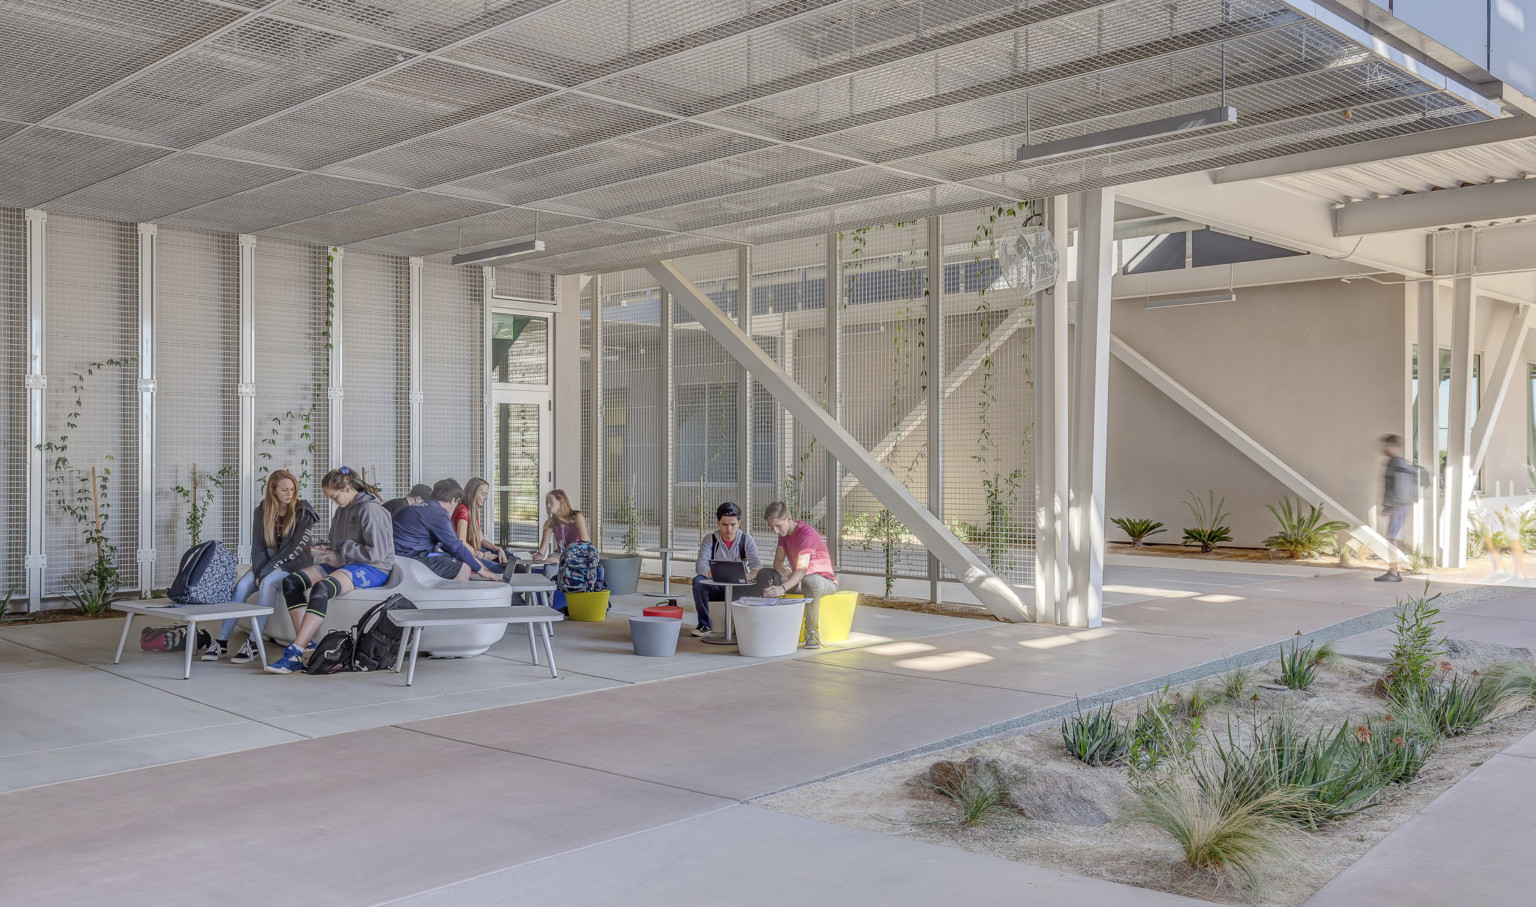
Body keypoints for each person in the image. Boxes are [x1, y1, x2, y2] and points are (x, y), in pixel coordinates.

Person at [265, 467, 395, 674]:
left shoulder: (371, 510)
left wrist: (342, 550)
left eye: (334, 496)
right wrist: (325, 550)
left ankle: (295, 651)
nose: (333, 502)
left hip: (373, 568)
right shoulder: (342, 510)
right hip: (347, 562)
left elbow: (377, 553)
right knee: (291, 582)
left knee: (322, 588)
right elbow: (340, 545)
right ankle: (307, 646)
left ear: (347, 487)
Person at [202, 470, 318, 663]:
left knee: (267, 584)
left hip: (295, 562)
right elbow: (258, 547)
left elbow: (292, 550)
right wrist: (260, 569)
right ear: (273, 491)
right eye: (284, 490)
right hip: (269, 560)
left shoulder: (303, 511)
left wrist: (264, 572)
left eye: (292, 489)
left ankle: (254, 643)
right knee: (241, 587)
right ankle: (221, 641)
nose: (290, 494)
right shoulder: (262, 510)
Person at [760, 501, 838, 648]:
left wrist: (782, 588)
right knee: (766, 574)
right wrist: (780, 567)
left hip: (823, 581)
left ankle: (812, 634)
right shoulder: (784, 533)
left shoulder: (805, 534)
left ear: (788, 518)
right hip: (800, 579)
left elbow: (802, 570)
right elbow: (777, 560)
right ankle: (765, 625)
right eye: (772, 527)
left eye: (778, 526)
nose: (776, 531)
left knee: (810, 581)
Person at [394, 478, 499, 581]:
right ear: (453, 500)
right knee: (464, 569)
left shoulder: (419, 508)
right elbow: (456, 547)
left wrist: (480, 565)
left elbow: (449, 547)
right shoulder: (438, 514)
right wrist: (482, 570)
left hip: (401, 554)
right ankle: (445, 598)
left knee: (456, 560)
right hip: (409, 558)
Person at [689, 502, 764, 637]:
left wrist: (751, 574)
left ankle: (742, 626)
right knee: (698, 581)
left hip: (737, 587)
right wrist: (716, 574)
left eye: (732, 524)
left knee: (758, 583)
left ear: (739, 523)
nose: (729, 528)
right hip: (716, 585)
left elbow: (756, 565)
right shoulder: (710, 539)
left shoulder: (746, 540)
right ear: (718, 523)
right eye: (724, 524)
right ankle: (704, 625)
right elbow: (700, 565)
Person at [1377, 434, 1415, 583]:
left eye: (1386, 446)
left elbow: (1397, 485)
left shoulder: (1395, 462)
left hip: (1398, 505)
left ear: (1392, 446)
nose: (1384, 448)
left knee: (1392, 538)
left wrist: (1390, 505)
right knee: (1392, 537)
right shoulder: (1398, 462)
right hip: (1401, 504)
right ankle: (1393, 571)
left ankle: (1393, 572)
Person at [454, 477, 507, 574]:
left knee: (512, 560)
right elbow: (461, 542)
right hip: (466, 556)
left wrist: (498, 549)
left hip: (475, 551)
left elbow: (481, 539)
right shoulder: (463, 510)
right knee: (505, 570)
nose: (486, 498)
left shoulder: (473, 511)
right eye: (483, 494)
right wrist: (481, 555)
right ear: (473, 494)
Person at [534, 489, 590, 563]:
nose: (548, 505)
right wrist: (538, 555)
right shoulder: (549, 522)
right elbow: (542, 551)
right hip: (559, 555)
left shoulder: (577, 517)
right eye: (547, 502)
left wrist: (562, 560)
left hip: (577, 557)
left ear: (561, 501)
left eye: (551, 501)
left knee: (553, 565)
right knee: (550, 565)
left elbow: (585, 545)